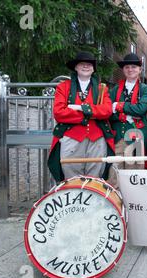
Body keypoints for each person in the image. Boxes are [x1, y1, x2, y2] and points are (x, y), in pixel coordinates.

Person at [47, 51, 114, 182]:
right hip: (71, 138)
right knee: (72, 178)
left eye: (89, 64)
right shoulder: (63, 87)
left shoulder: (102, 89)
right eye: (82, 64)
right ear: (76, 67)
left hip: (97, 138)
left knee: (94, 179)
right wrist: (90, 115)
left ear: (93, 69)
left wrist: (81, 108)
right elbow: (59, 113)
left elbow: (106, 111)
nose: (85, 66)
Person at [108, 53, 147, 188]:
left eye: (134, 67)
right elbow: (109, 112)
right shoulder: (115, 90)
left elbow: (140, 109)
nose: (130, 69)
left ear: (139, 69)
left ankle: (136, 206)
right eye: (127, 67)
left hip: (137, 137)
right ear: (123, 70)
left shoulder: (146, 89)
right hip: (119, 136)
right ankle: (116, 206)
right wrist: (124, 115)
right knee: (115, 174)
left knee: (136, 176)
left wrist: (119, 106)